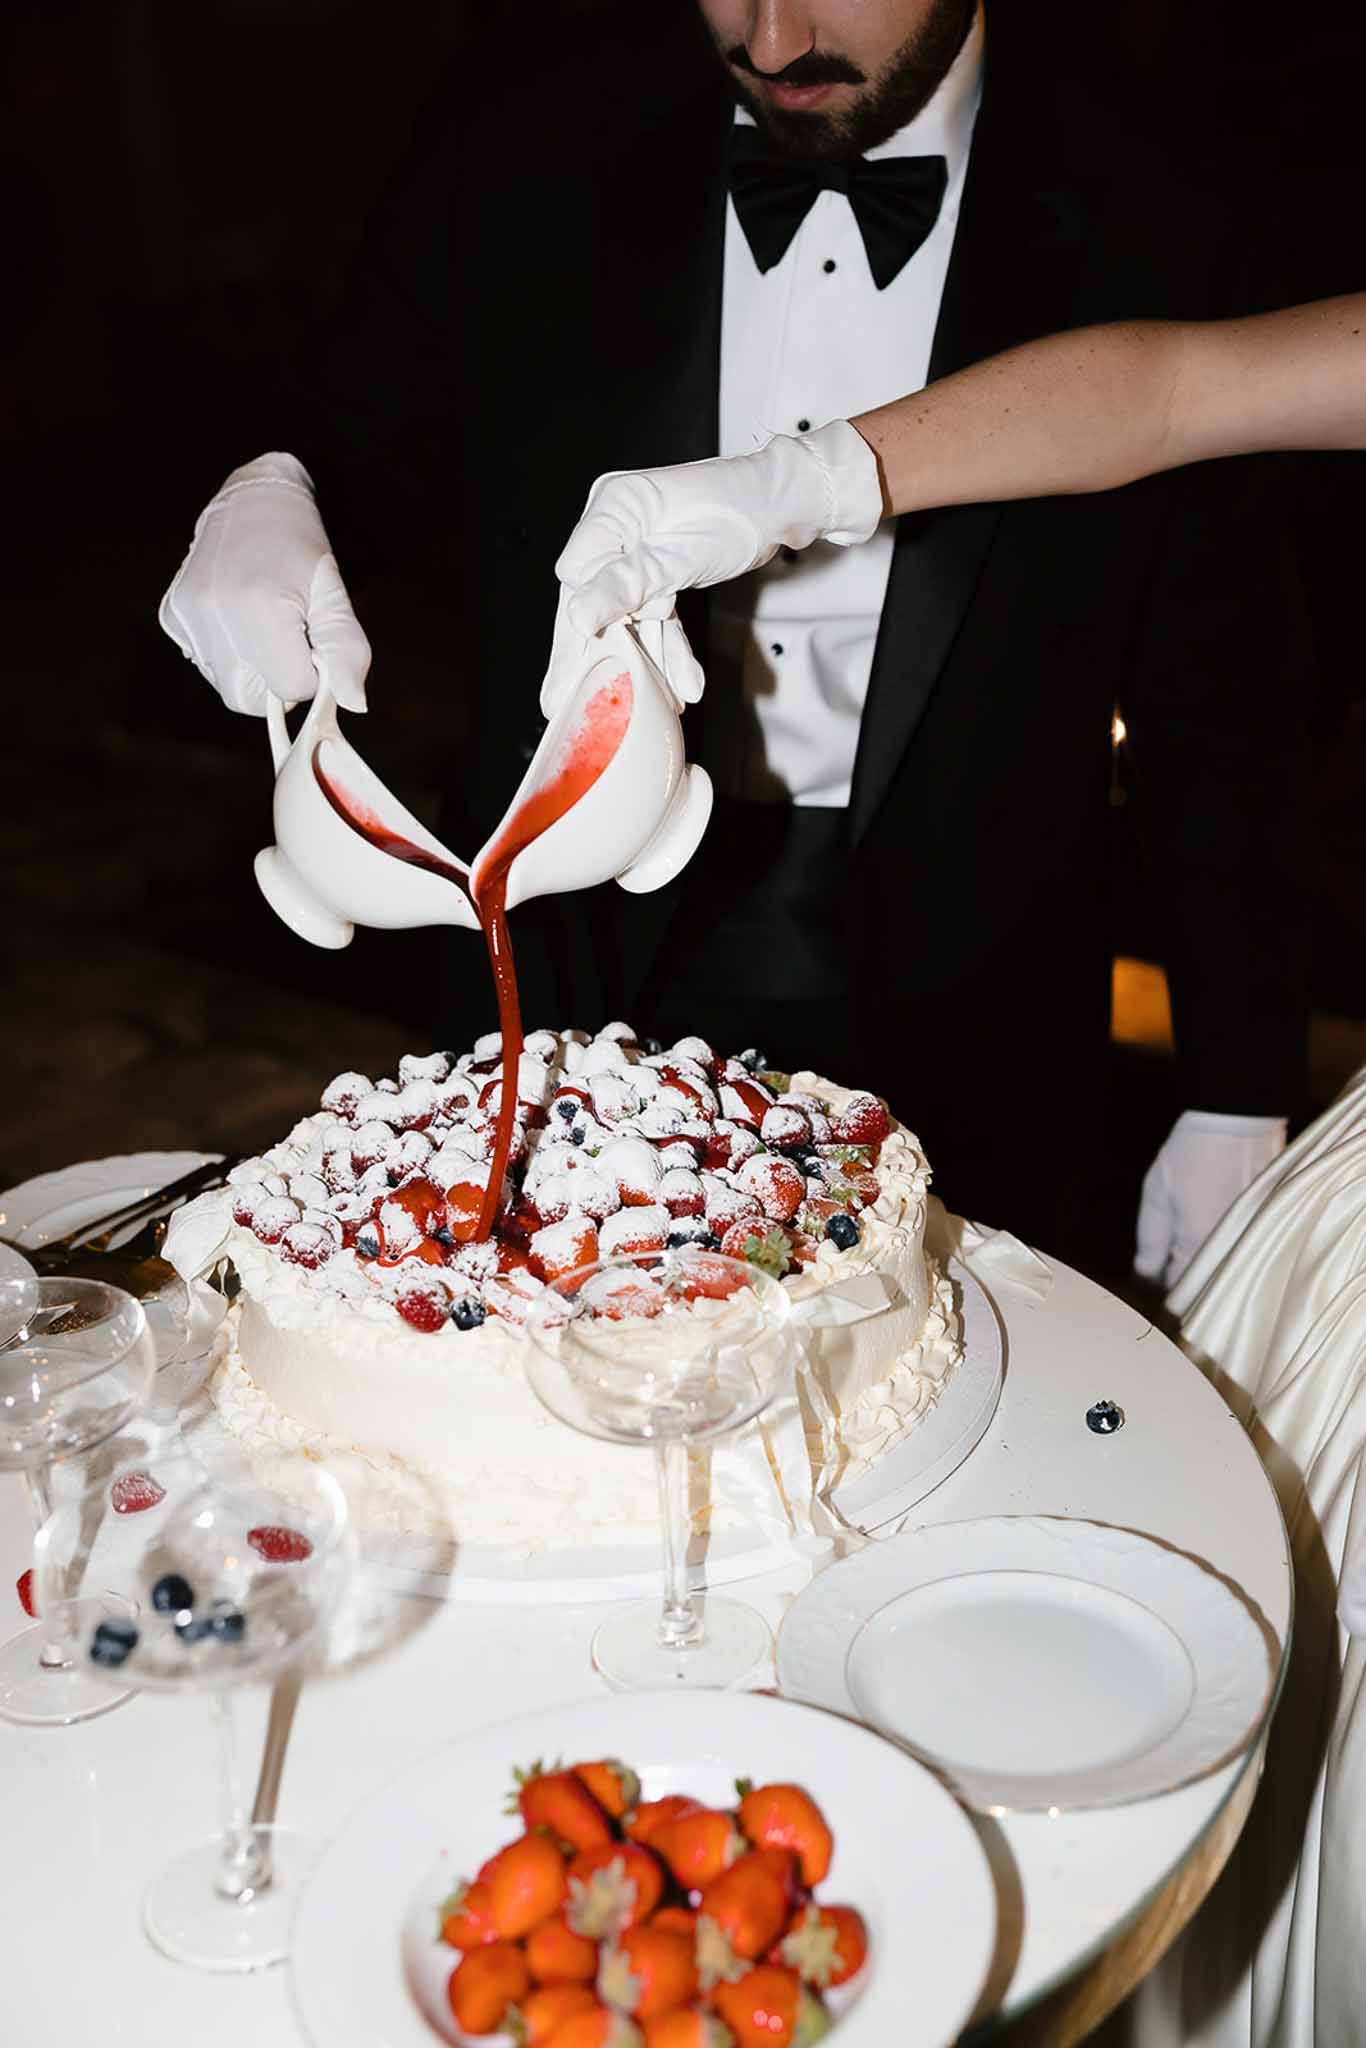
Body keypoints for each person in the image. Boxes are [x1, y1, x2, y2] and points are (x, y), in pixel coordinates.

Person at [158, 0, 1314, 1277]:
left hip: (977, 961)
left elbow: (1227, 679)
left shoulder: (1167, 175)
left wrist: (1235, 1075)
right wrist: (263, 485)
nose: (768, 43)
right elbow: (347, 407)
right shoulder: (527, 108)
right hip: (560, 918)